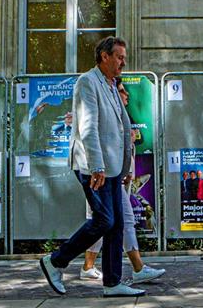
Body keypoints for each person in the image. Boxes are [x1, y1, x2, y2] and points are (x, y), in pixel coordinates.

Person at [39, 37, 143, 298]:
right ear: (104, 57)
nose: (123, 61)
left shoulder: (110, 85)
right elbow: (88, 127)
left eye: (123, 57)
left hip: (113, 166)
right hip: (92, 166)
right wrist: (97, 166)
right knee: (105, 219)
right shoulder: (88, 82)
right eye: (119, 56)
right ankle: (55, 261)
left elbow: (122, 127)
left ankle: (112, 282)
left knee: (116, 223)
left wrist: (126, 165)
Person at [80, 78, 165, 285]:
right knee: (118, 220)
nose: (126, 95)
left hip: (112, 178)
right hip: (105, 179)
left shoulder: (119, 115)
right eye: (121, 91)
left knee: (105, 222)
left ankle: (88, 267)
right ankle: (136, 268)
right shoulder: (106, 113)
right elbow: (103, 144)